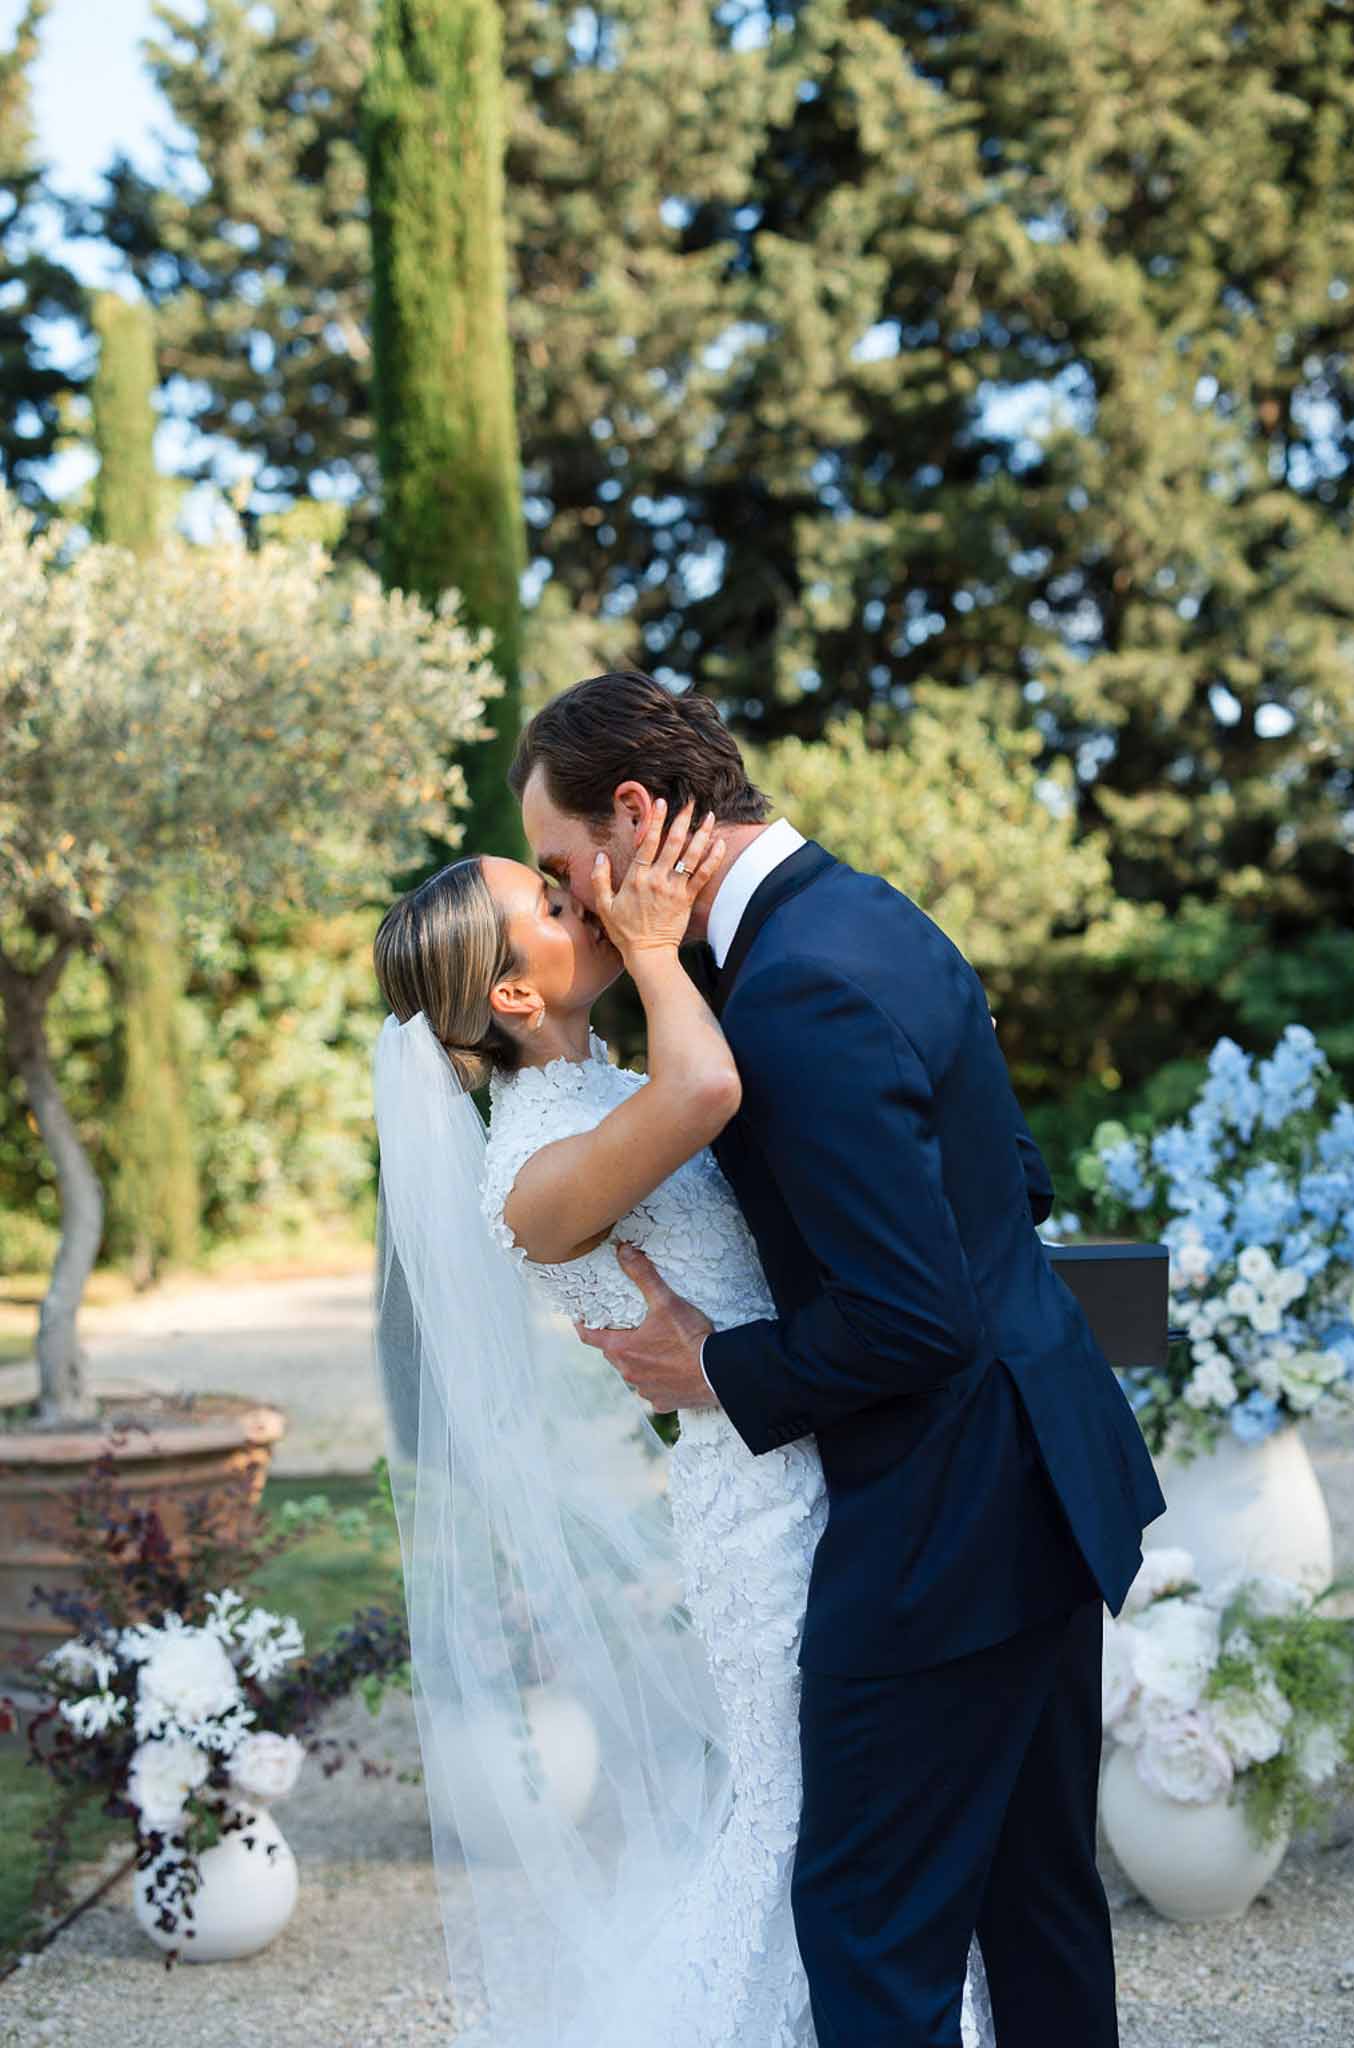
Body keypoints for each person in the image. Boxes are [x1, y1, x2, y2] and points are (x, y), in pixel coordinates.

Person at [509, 669, 1167, 2048]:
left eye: (566, 866)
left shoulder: (792, 990)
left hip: (944, 1525)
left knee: (869, 1936)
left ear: (632, 816)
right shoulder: (862, 911)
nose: (567, 898)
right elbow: (1011, 1173)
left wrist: (723, 1366)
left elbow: (915, 1315)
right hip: (1037, 1478)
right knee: (1035, 1907)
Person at [372, 792, 993, 2045]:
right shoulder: (534, 1172)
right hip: (763, 1502)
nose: (583, 892)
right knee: (813, 1809)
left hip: (823, 1431)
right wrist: (656, 945)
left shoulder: (601, 1075)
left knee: (867, 1807)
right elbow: (705, 1087)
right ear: (509, 996)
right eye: (548, 901)